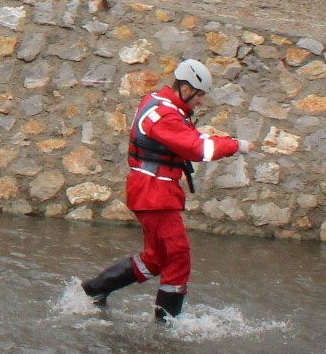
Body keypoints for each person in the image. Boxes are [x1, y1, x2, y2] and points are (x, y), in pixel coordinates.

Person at [79, 59, 243, 322]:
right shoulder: (164, 113)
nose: (201, 102)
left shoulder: (161, 104)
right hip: (154, 193)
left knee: (156, 259)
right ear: (186, 89)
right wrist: (237, 145)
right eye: (199, 95)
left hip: (152, 191)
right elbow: (197, 149)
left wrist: (216, 139)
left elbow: (186, 138)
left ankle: (95, 290)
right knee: (178, 257)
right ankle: (166, 325)